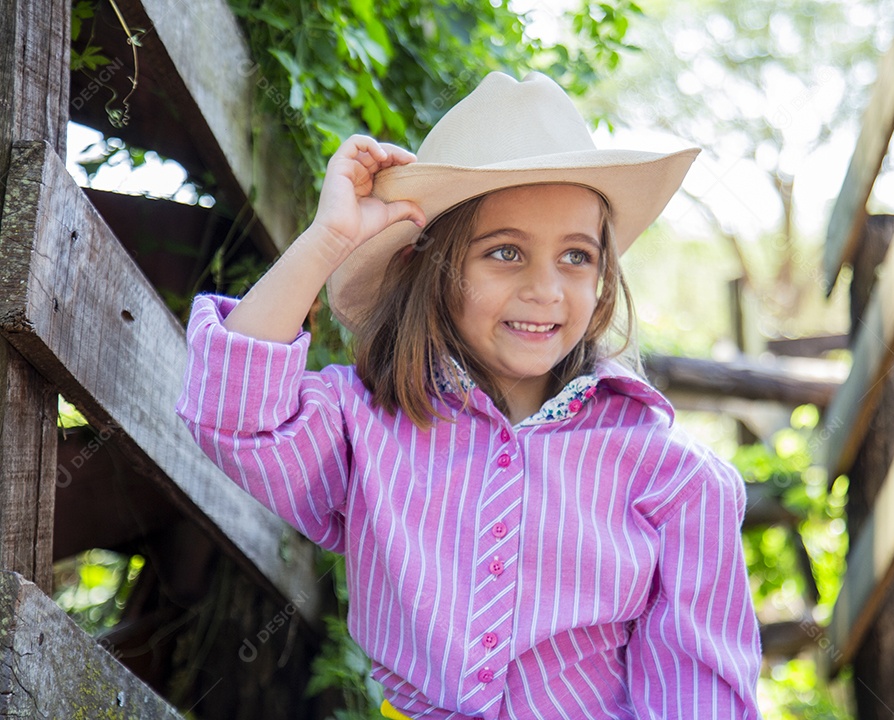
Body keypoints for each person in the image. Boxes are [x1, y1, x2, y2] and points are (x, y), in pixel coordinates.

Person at [176, 70, 761, 719]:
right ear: (431, 270)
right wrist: (328, 242)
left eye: (576, 256)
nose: (545, 289)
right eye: (505, 252)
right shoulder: (363, 422)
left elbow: (699, 693)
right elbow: (233, 415)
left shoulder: (677, 478)